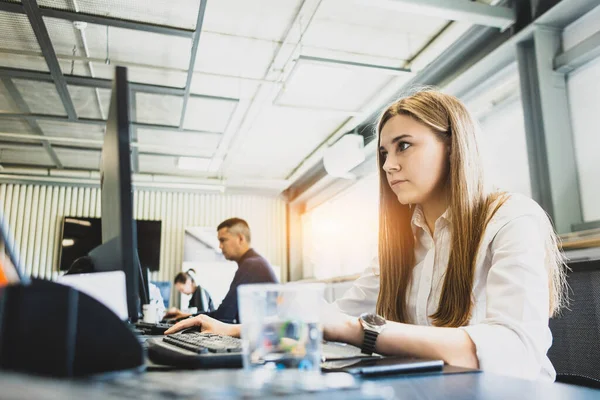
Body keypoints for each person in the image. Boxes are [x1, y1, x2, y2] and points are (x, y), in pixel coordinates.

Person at [164, 89, 567, 381]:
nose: (389, 165)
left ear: (453, 146)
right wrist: (236, 332)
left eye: (404, 146)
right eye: (384, 154)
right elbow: (336, 315)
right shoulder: (403, 241)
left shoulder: (510, 219)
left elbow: (516, 349)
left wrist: (363, 331)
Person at [165, 218, 278, 323]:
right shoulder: (253, 263)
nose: (220, 246)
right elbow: (223, 314)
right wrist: (186, 316)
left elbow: (223, 316)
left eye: (223, 240)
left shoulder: (251, 265)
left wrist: (187, 318)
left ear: (240, 238)